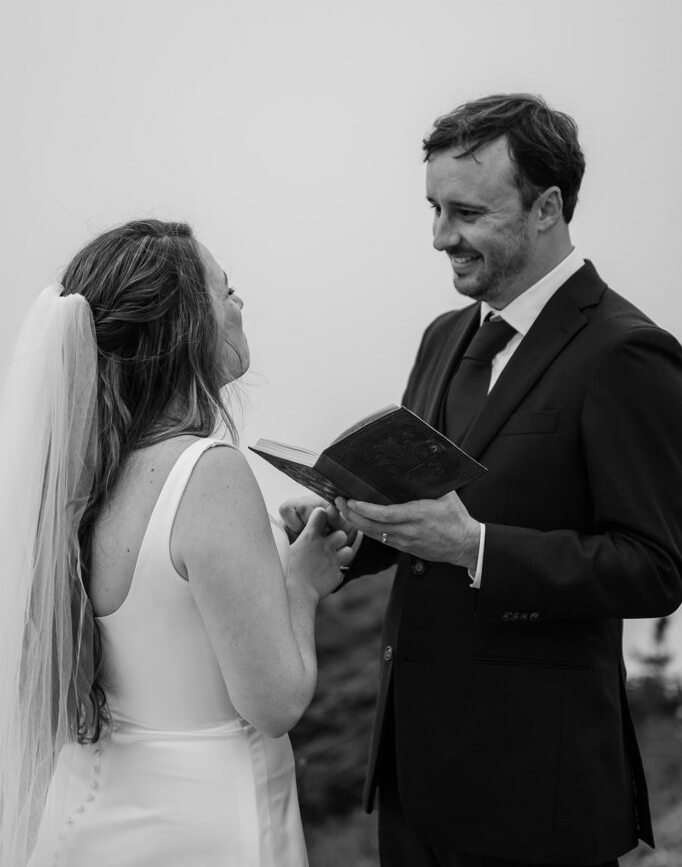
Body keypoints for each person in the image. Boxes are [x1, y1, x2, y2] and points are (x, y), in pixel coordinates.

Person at [281, 94, 682, 867]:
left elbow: (656, 568)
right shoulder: (443, 336)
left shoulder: (627, 354)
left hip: (539, 789)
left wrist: (480, 550)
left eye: (465, 212)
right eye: (433, 209)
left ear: (547, 208)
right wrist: (351, 531)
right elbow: (420, 509)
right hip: (413, 777)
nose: (440, 238)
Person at [0, 219, 353, 867]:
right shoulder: (209, 472)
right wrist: (301, 581)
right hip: (208, 823)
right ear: (185, 324)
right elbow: (274, 702)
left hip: (95, 817)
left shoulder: (82, 484)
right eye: (227, 291)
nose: (240, 304)